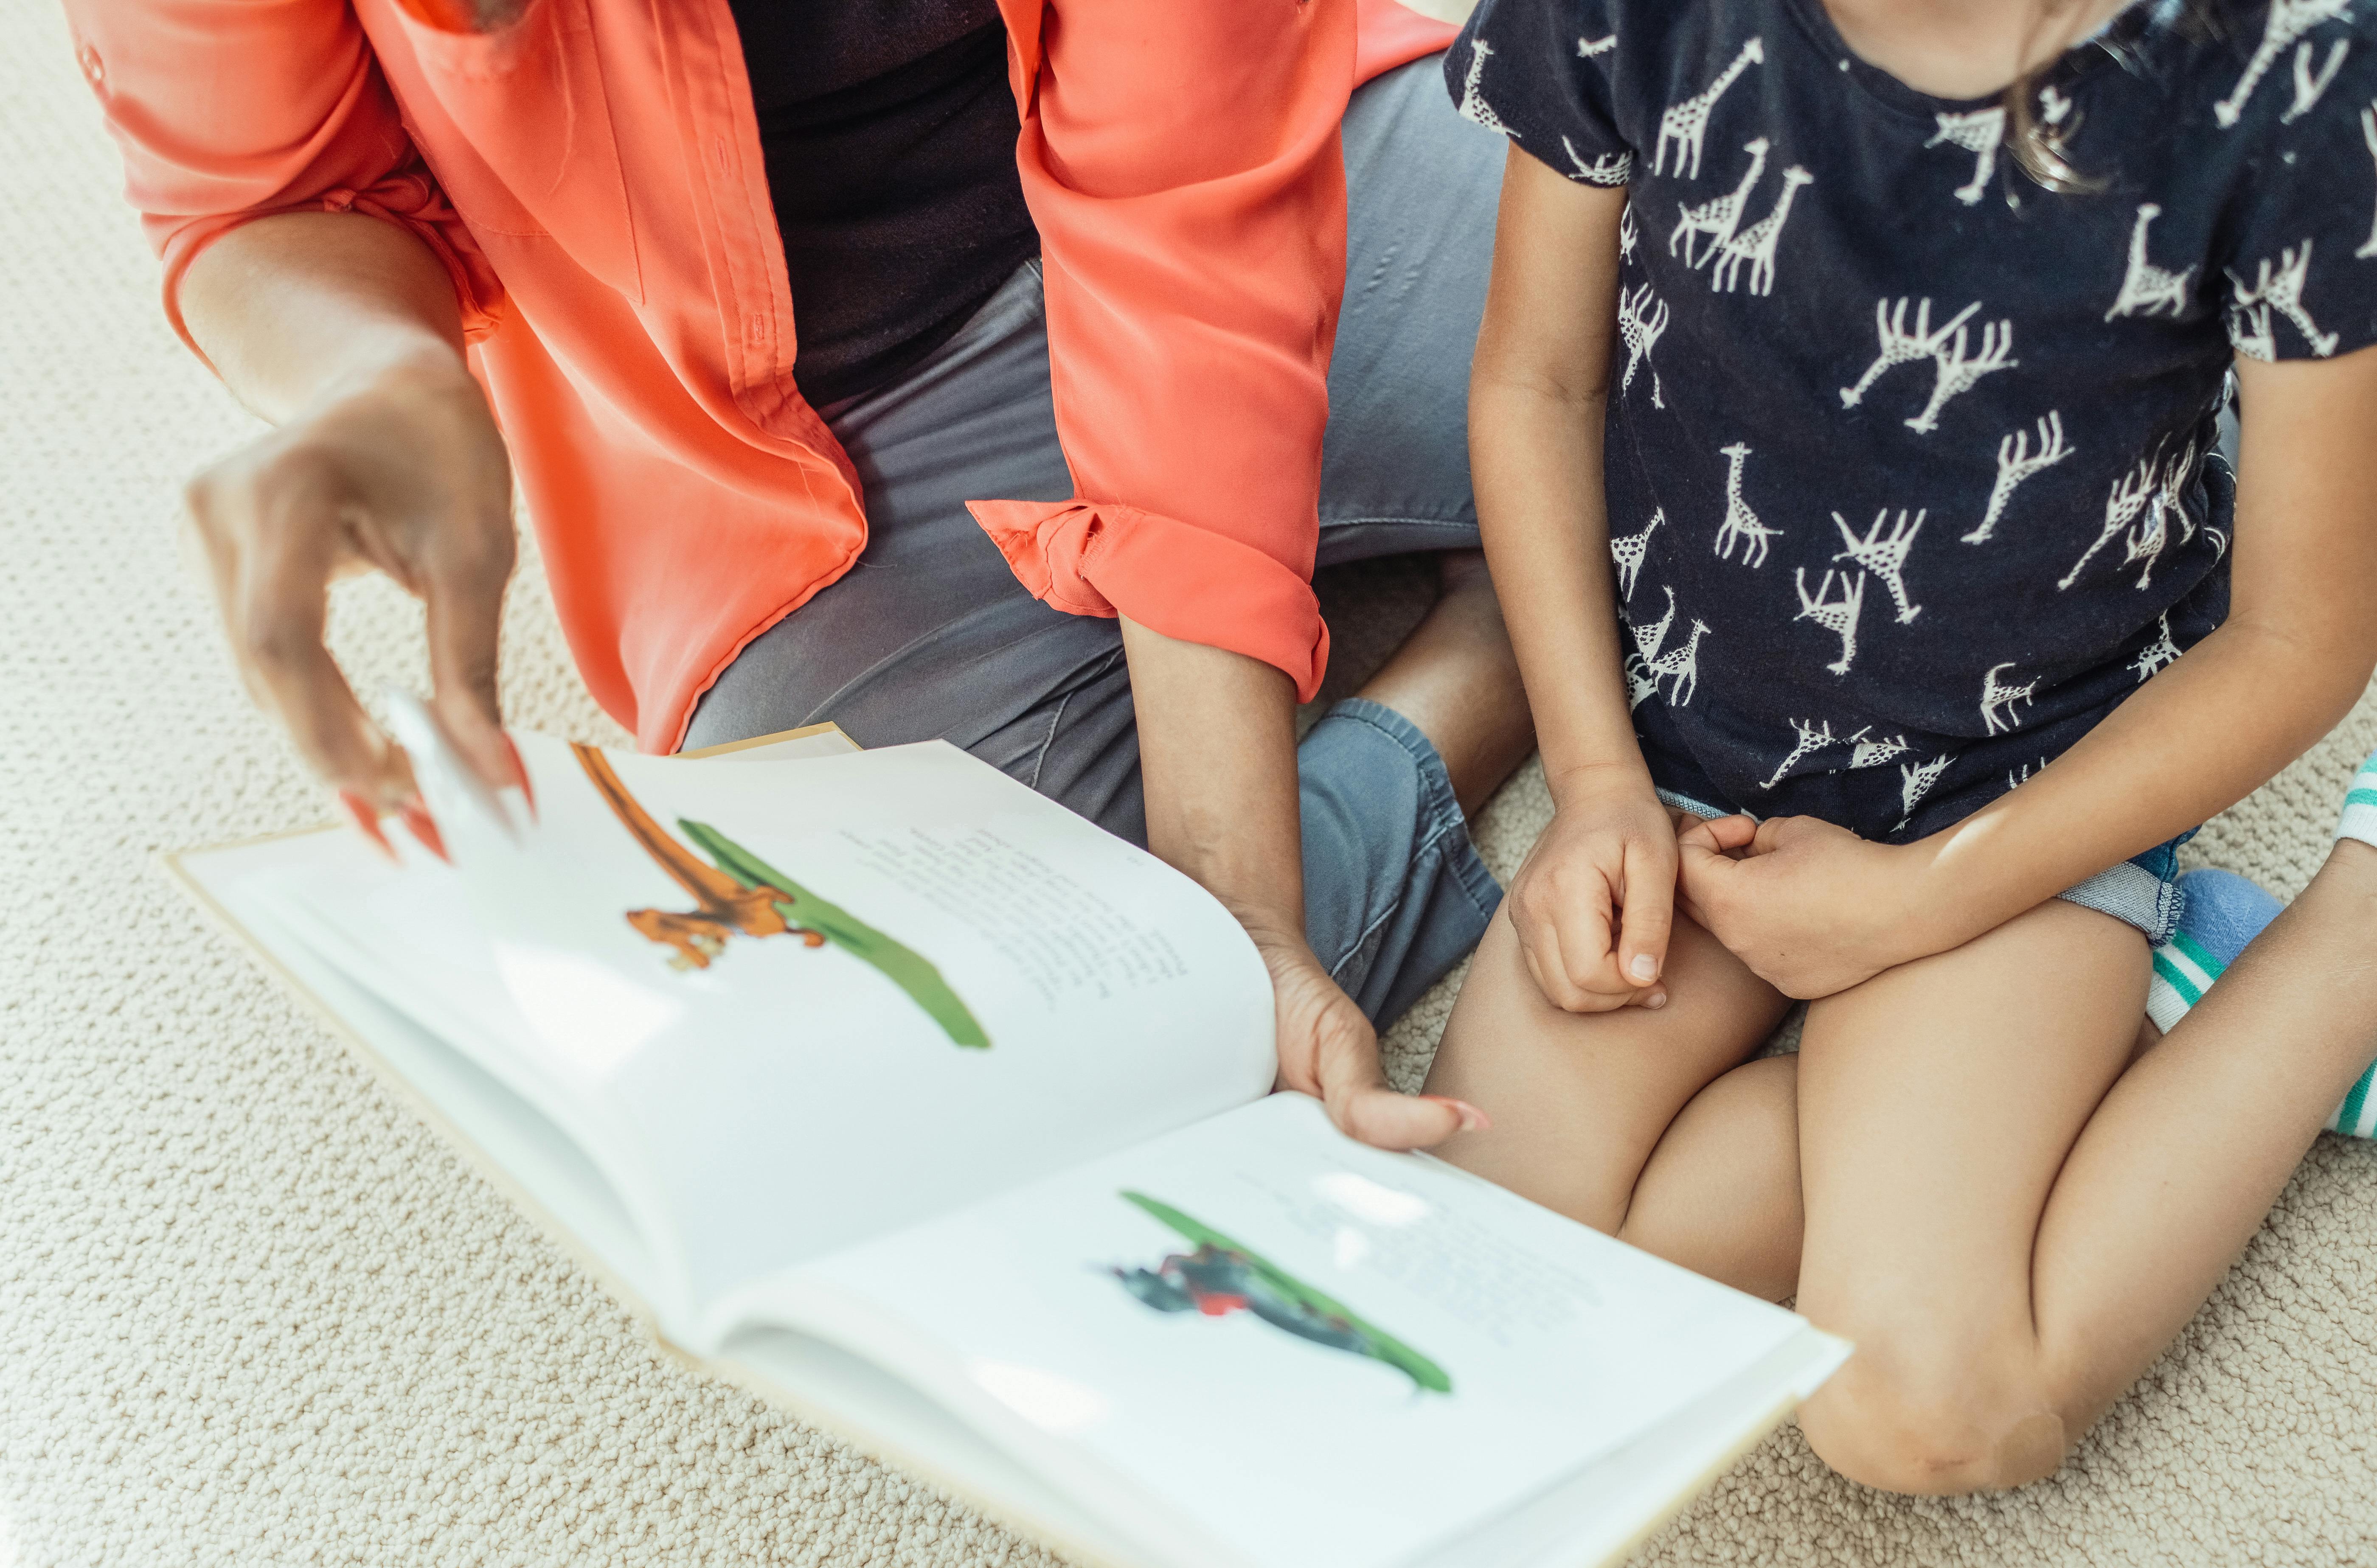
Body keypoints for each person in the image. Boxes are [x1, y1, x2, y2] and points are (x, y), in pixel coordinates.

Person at [67, 0, 1534, 1150]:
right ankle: (1500, 646)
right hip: (781, 462)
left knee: (1724, 329)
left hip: (1261, 179)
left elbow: (1187, 218)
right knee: (1004, 1003)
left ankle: (1539, 576)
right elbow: (259, 192)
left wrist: (1242, 896)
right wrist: (383, 377)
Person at [1427, 0, 2377, 1495]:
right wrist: (1595, 780)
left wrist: (1923, 901)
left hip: (2033, 784)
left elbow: (2302, 640)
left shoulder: (2296, 68)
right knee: (1507, 1297)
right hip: (1682, 758)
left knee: (1922, 1416)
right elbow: (1537, 379)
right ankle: (2080, 1063)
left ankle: (2343, 946)